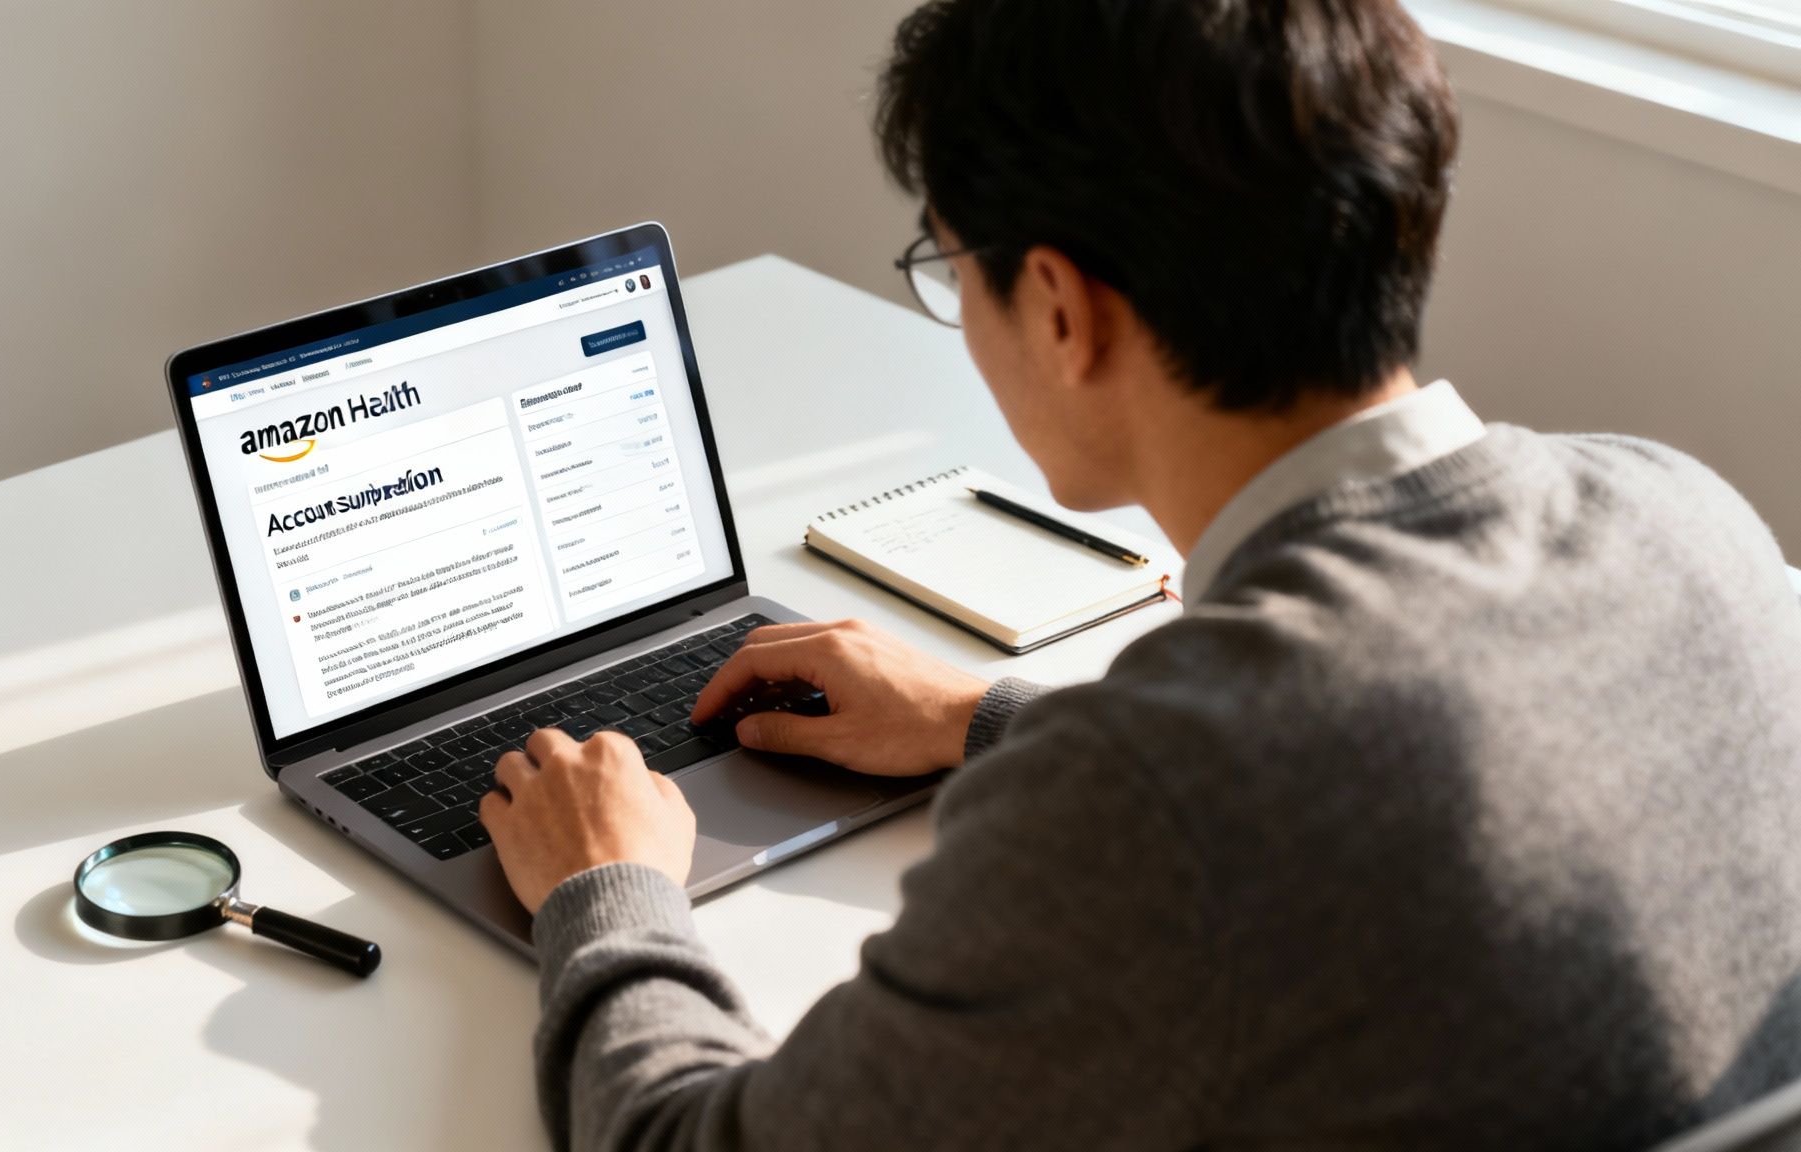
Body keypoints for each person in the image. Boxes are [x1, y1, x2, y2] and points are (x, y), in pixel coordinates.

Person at [477, 1, 1801, 1148]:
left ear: (1061, 309)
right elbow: (1396, 783)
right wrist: (989, 719)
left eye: (950, 265)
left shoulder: (1149, 811)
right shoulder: (1692, 519)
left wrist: (609, 890)